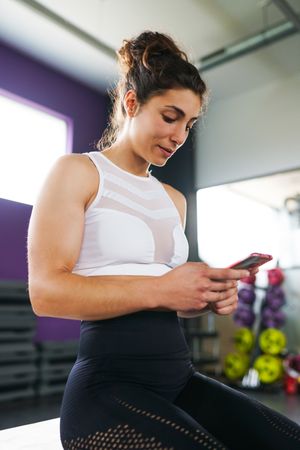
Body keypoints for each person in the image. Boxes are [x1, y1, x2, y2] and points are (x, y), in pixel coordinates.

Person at [27, 30, 300, 450]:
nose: (178, 136)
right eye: (170, 117)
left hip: (178, 378)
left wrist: (204, 298)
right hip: (107, 388)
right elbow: (46, 294)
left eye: (188, 125)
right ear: (132, 102)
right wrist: (163, 288)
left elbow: (166, 296)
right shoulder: (79, 172)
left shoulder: (173, 199)